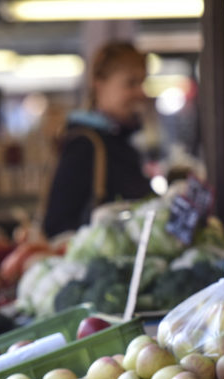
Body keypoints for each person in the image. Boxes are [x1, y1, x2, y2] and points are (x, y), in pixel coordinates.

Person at [43, 42, 153, 238]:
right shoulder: (86, 146)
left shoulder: (120, 142)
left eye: (143, 82)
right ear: (99, 85)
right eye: (131, 83)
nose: (141, 92)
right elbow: (57, 225)